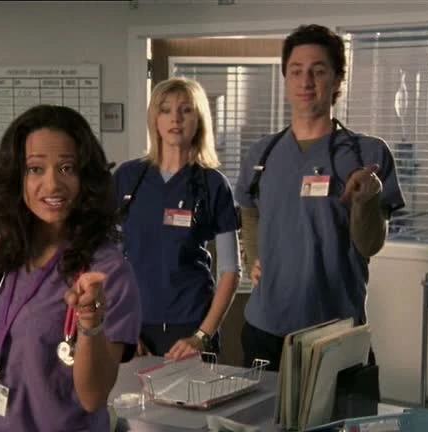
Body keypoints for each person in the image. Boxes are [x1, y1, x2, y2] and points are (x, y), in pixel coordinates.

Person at [0, 104, 141, 432]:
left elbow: (93, 397)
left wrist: (90, 324)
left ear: (86, 178)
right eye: (35, 169)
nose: (53, 184)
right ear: (17, 177)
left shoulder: (105, 273)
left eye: (67, 168)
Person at [235, 24, 405, 371]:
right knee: (264, 409)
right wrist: (253, 257)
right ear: (285, 79)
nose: (306, 81)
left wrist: (366, 201)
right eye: (296, 71)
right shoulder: (261, 154)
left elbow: (370, 244)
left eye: (318, 71)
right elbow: (249, 210)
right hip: (266, 327)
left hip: (336, 330)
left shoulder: (366, 155)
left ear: (338, 79)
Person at [113, 77, 241, 360]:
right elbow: (109, 262)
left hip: (190, 326)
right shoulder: (127, 178)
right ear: (154, 119)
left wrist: (202, 336)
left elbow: (231, 271)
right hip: (134, 325)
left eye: (186, 110)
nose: (176, 118)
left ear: (199, 119)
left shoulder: (213, 184)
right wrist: (122, 325)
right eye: (165, 110)